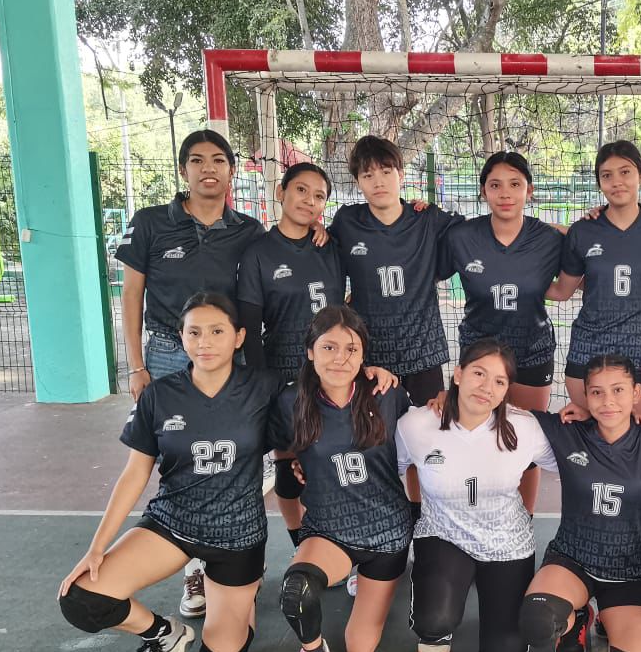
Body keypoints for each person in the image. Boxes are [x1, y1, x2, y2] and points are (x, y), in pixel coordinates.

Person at [58, 293, 282, 652]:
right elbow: (134, 475)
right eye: (194, 332)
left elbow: (317, 406)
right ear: (181, 338)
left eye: (217, 331)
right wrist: (96, 548)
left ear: (238, 337)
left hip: (238, 534)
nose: (205, 342)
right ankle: (164, 635)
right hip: (173, 523)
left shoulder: (264, 388)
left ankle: (242, 593)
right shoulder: (160, 396)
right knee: (82, 598)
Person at [115, 129, 268, 620]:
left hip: (228, 354)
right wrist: (137, 365)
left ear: (230, 170)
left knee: (232, 459)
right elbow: (131, 295)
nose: (209, 168)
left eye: (219, 160)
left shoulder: (249, 229)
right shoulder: (151, 224)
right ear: (183, 170)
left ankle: (235, 560)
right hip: (165, 352)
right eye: (197, 160)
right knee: (176, 458)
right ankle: (193, 568)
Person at [549, 140, 641, 572]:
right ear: (598, 183)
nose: (616, 181)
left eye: (625, 171)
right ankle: (594, 536)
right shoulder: (583, 231)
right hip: (587, 349)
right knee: (596, 448)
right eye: (606, 175)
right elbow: (562, 290)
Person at [269, 305, 411, 652]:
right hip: (329, 529)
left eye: (351, 349)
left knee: (361, 648)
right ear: (310, 352)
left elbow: (428, 443)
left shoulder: (388, 394)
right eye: (328, 347)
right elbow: (283, 456)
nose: (340, 358)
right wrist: (299, 531)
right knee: (296, 592)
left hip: (387, 534)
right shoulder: (290, 403)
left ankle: (369, 578)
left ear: (364, 355)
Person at [519, 354, 641, 652]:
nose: (608, 402)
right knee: (536, 623)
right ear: (585, 397)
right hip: (573, 560)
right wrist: (447, 398)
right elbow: (508, 415)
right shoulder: (568, 431)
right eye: (597, 393)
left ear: (637, 392)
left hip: (629, 571)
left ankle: (610, 613)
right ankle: (577, 617)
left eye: (618, 390)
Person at [396, 338, 559, 652]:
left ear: (506, 390)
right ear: (457, 375)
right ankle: (440, 606)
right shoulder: (415, 425)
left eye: (499, 381)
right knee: (434, 623)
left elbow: (577, 463)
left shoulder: (524, 428)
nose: (487, 387)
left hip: (506, 544)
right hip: (445, 535)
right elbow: (383, 471)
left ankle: (485, 586)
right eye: (479, 374)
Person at [438, 152, 565, 512]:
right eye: (495, 185)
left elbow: (579, 273)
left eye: (515, 184)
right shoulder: (462, 236)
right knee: (475, 440)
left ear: (530, 190)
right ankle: (474, 514)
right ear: (483, 192)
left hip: (532, 351)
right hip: (479, 356)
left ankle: (521, 520)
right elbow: (422, 271)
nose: (505, 193)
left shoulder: (550, 239)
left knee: (524, 441)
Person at [237, 162, 346, 545]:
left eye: (319, 196)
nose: (309, 200)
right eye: (302, 190)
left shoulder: (331, 246)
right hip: (283, 370)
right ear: (281, 191)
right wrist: (262, 382)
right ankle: (301, 540)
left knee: (331, 460)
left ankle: (337, 540)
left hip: (333, 370)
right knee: (288, 464)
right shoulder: (258, 254)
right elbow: (249, 328)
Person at [328, 135, 462, 407]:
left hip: (423, 349)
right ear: (358, 182)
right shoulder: (347, 221)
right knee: (376, 434)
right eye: (368, 175)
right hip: (371, 352)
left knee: (427, 432)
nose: (378, 182)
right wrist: (316, 229)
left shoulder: (426, 217)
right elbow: (321, 254)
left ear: (400, 174)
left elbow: (473, 236)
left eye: (386, 172)